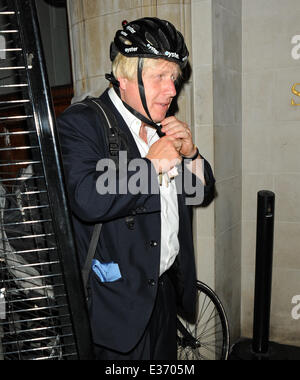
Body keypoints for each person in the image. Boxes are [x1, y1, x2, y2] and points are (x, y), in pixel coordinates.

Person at [57, 17, 215, 360]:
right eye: (160, 75)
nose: (172, 90)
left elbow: (203, 192)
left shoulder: (161, 128)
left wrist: (191, 155)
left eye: (173, 78)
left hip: (162, 296)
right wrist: (149, 166)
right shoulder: (83, 123)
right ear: (124, 77)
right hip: (117, 307)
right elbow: (86, 198)